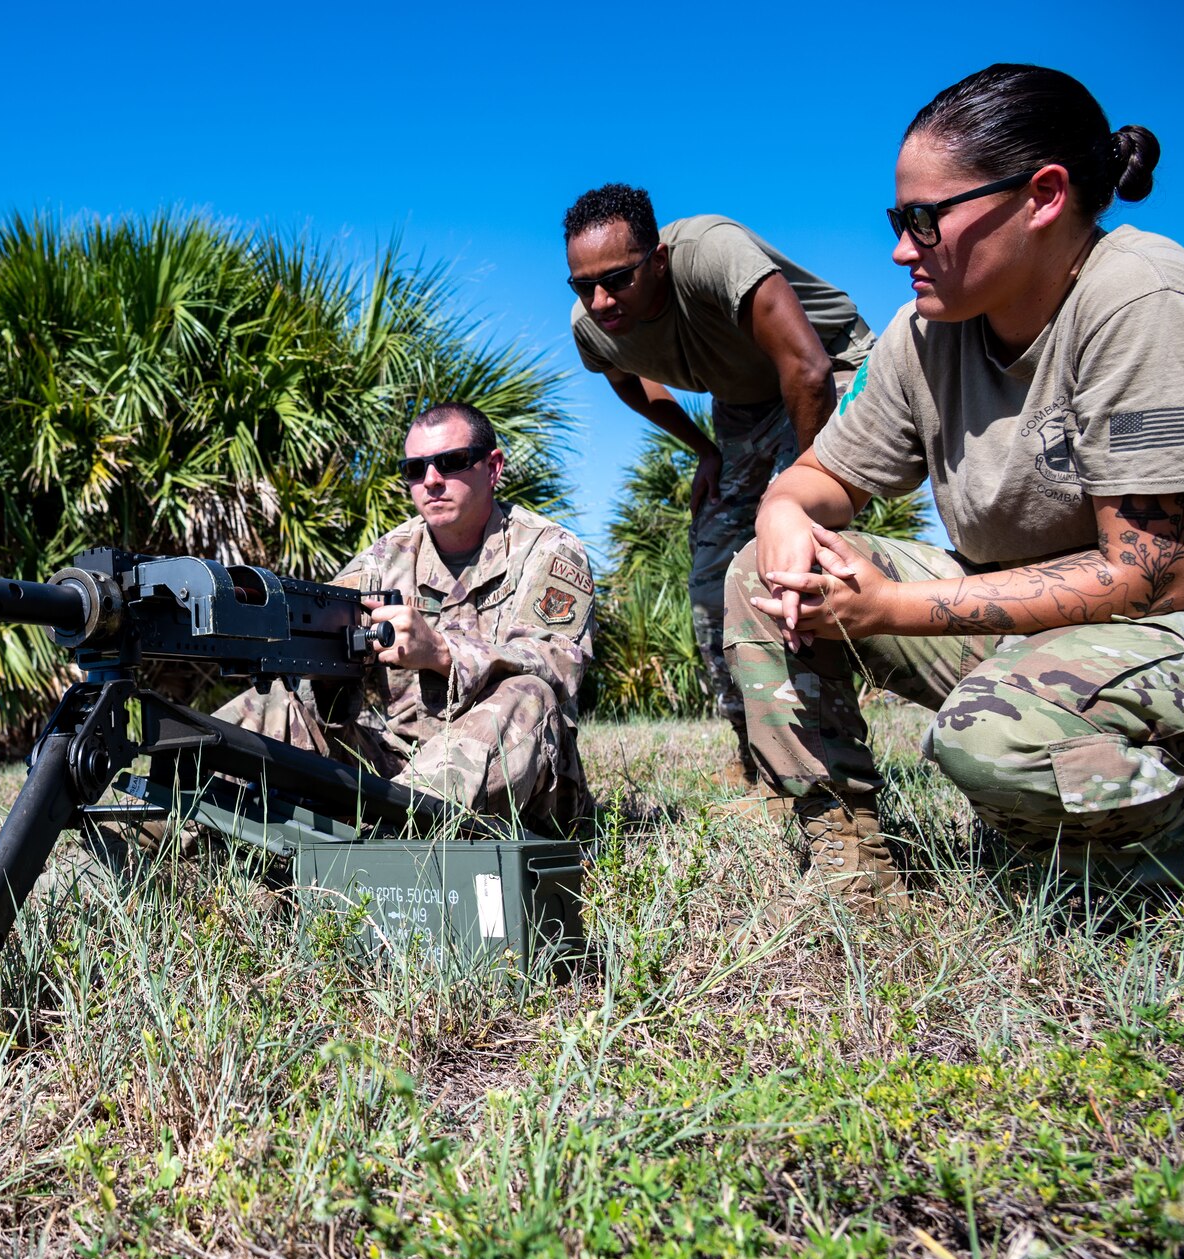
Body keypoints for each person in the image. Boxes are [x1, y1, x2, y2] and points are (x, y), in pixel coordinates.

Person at [726, 63, 1184, 899]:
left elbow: (1154, 580)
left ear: (1043, 196)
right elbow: (823, 475)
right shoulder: (925, 333)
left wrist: (888, 606)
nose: (898, 249)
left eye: (924, 220)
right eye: (897, 218)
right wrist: (782, 510)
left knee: (993, 734)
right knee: (760, 573)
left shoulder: (1143, 298)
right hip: (1038, 625)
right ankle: (849, 856)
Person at [565, 185, 875, 787]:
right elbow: (624, 379)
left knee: (781, 558)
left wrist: (798, 498)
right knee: (711, 576)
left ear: (657, 261)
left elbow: (808, 369)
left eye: (619, 279)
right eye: (583, 285)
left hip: (831, 368)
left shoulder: (710, 250)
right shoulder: (594, 325)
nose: (601, 300)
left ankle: (827, 767)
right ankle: (757, 756)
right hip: (741, 410)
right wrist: (704, 449)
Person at [214, 401, 596, 834]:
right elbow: (324, 635)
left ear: (492, 468)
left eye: (451, 462)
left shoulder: (548, 550)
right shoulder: (386, 557)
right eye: (415, 469)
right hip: (398, 775)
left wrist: (440, 652)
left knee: (527, 693)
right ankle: (148, 834)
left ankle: (393, 849)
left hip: (526, 786)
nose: (431, 481)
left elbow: (555, 663)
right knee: (276, 706)